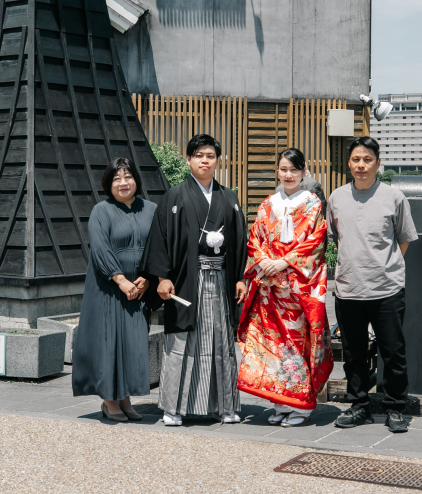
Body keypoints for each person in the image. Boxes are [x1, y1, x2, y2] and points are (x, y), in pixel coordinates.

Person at [140, 134, 247, 427]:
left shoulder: (229, 197)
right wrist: (162, 277)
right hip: (187, 279)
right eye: (199, 155)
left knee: (221, 340)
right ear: (189, 160)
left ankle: (224, 406)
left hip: (222, 279)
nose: (205, 161)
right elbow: (160, 239)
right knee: (182, 341)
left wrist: (239, 277)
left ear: (217, 160)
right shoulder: (175, 195)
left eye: (210, 156)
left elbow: (239, 242)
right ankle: (173, 408)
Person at [327, 137, 418, 433]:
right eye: (356, 159)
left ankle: (394, 407)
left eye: (367, 159)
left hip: (386, 289)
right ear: (349, 164)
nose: (361, 165)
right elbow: (334, 238)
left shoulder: (394, 197)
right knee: (353, 353)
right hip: (348, 288)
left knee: (393, 351)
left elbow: (404, 239)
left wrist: (385, 267)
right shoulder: (336, 198)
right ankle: (358, 406)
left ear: (378, 163)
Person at [237, 148, 333, 427]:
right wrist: (265, 260)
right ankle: (280, 402)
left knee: (296, 345)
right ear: (277, 172)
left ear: (304, 172)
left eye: (294, 169)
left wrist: (284, 263)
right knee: (272, 346)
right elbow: (255, 238)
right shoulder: (268, 204)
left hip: (296, 291)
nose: (288, 175)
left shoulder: (312, 203)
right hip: (269, 290)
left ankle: (301, 405)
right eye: (283, 169)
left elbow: (315, 242)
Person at [72, 158, 158, 423]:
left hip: (139, 289)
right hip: (108, 287)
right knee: (109, 343)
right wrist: (120, 280)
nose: (123, 183)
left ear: (136, 180)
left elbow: (158, 247)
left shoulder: (151, 209)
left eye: (128, 177)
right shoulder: (102, 210)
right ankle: (109, 401)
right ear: (108, 184)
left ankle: (126, 398)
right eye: (117, 179)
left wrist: (147, 277)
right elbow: (100, 248)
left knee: (133, 344)